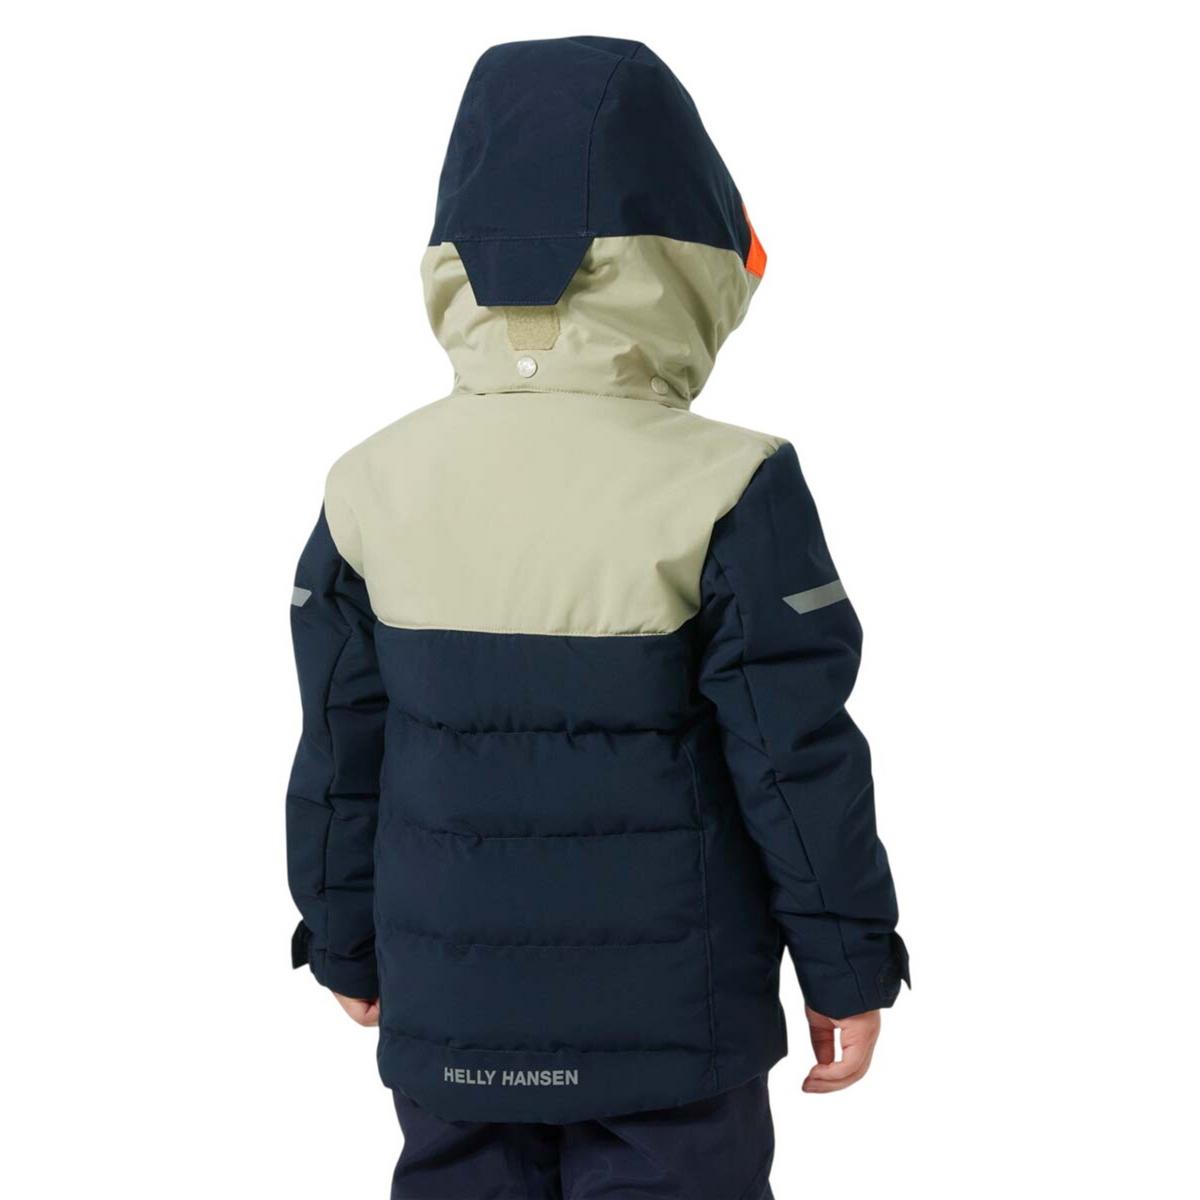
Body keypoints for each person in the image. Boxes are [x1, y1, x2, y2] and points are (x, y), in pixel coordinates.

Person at [286, 35, 909, 1200]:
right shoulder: (732, 485)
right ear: (689, 260)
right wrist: (847, 965)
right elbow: (795, 760)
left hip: (453, 1024)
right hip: (678, 1035)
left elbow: (339, 750)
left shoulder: (369, 485)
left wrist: (344, 938)